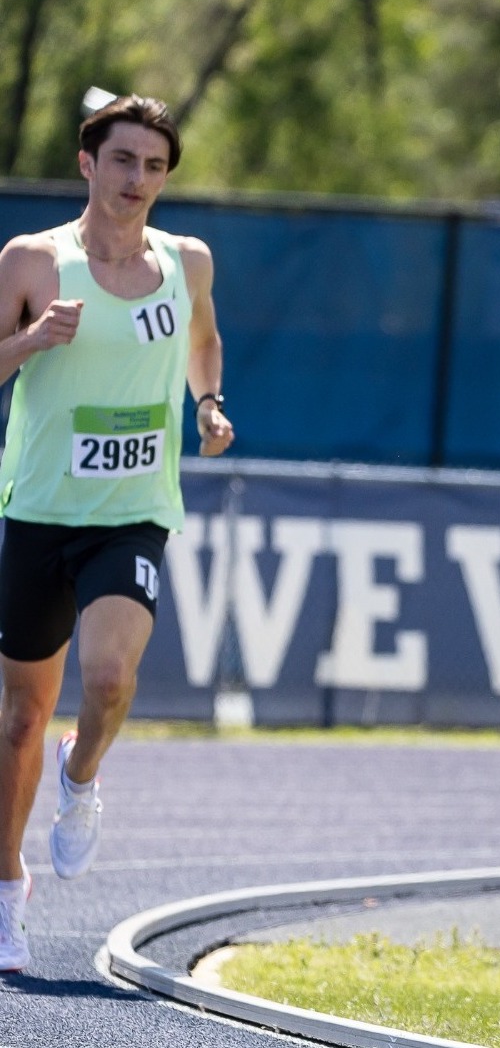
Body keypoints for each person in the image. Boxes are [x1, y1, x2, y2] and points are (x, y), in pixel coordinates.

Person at [0, 93, 235, 973]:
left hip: (132, 514)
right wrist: (29, 342)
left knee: (107, 677)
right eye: (124, 161)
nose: (139, 180)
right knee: (20, 718)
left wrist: (206, 402)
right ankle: (6, 892)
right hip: (38, 512)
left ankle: (84, 774)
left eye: (155, 166)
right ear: (88, 164)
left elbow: (204, 344)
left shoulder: (188, 260)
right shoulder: (33, 260)